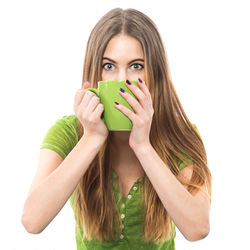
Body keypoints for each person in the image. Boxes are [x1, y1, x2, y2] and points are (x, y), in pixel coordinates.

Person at [21, 8, 212, 249]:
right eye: (109, 67)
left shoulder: (179, 134)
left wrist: (143, 146)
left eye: (136, 66)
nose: (122, 80)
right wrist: (91, 139)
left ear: (155, 73)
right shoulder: (68, 132)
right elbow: (32, 220)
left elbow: (197, 228)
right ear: (95, 70)